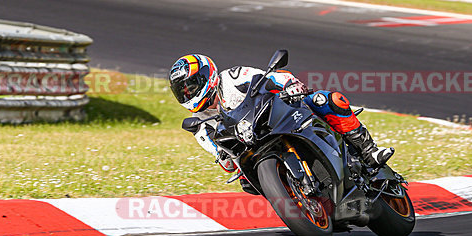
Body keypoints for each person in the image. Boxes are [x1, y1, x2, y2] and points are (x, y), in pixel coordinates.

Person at [169, 54, 394, 189]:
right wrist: (226, 159)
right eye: (183, 91)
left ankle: (368, 151)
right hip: (254, 145)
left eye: (192, 86)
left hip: (279, 114)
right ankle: (298, 199)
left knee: (327, 99)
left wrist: (289, 85)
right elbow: (221, 156)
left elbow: (271, 77)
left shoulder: (233, 77)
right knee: (248, 184)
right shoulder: (199, 124)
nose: (189, 93)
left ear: (208, 75)